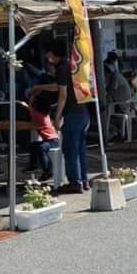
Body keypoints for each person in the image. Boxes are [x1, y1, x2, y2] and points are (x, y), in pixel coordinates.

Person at [31, 38, 90, 193]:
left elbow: (62, 93)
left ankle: (75, 182)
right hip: (83, 111)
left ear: (51, 53)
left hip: (73, 113)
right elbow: (59, 86)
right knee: (80, 149)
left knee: (70, 149)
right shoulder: (71, 64)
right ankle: (83, 180)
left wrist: (57, 117)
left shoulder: (62, 66)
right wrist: (41, 87)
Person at [20, 91, 60, 182]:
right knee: (34, 145)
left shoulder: (38, 115)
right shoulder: (45, 114)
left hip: (52, 142)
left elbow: (30, 108)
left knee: (40, 147)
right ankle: (33, 165)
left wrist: (30, 99)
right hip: (52, 140)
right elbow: (31, 109)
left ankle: (47, 171)